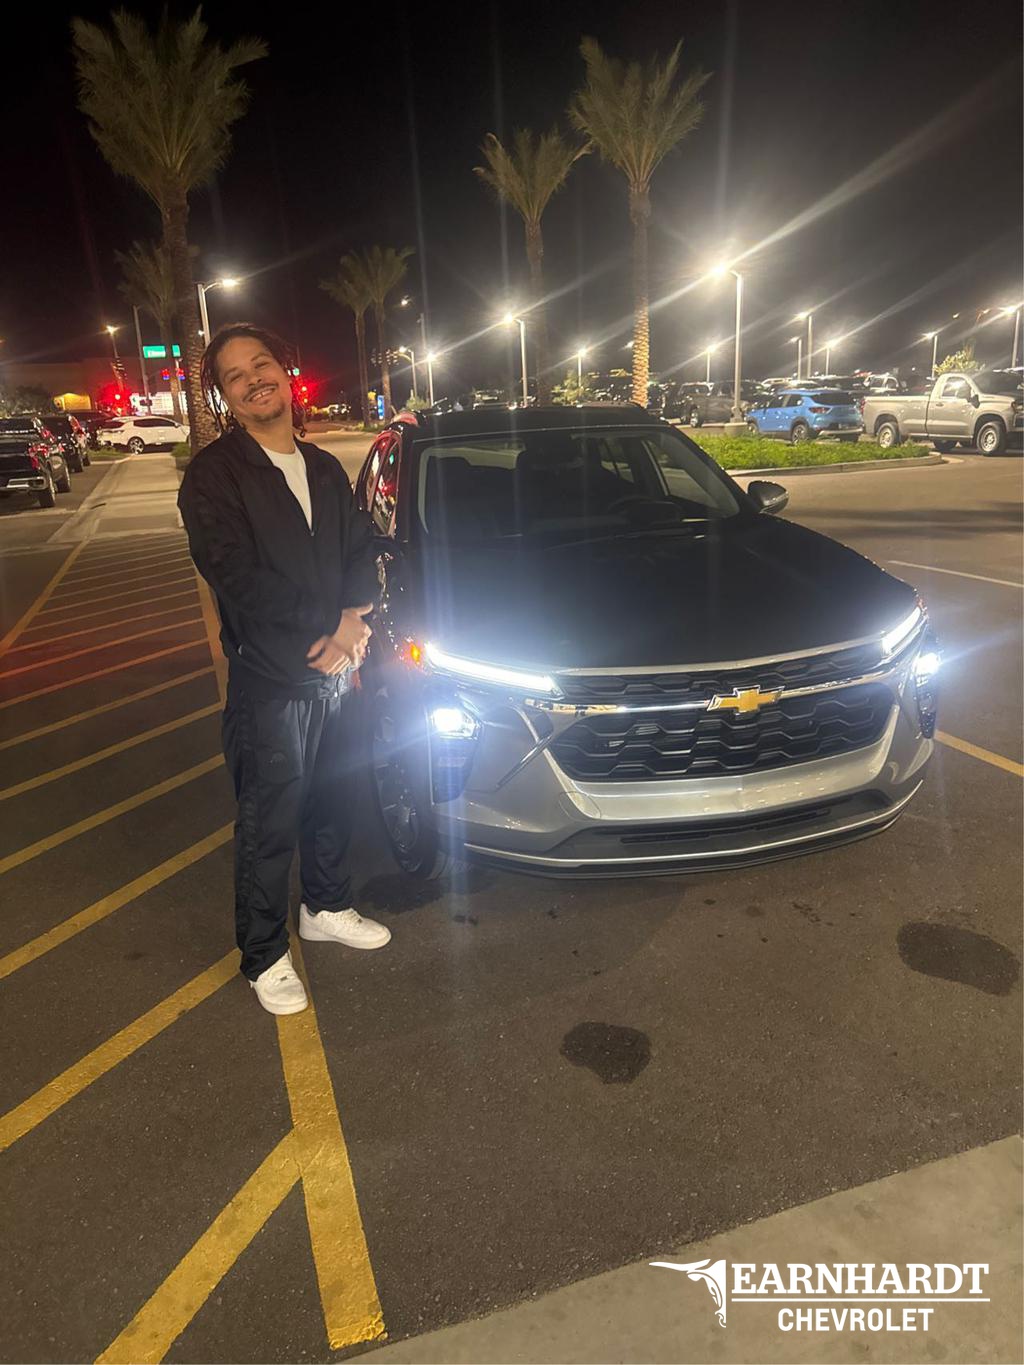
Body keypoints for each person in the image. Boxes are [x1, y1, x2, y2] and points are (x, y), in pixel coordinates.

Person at [178, 322, 391, 1016]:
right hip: (271, 683)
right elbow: (235, 575)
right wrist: (328, 624)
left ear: (285, 371)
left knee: (335, 797)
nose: (253, 380)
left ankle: (324, 907)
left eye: (260, 363)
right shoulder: (215, 477)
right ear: (224, 397)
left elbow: (360, 546)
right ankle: (264, 953)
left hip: (337, 672)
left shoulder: (322, 467)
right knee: (269, 822)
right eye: (234, 376)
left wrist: (354, 617)